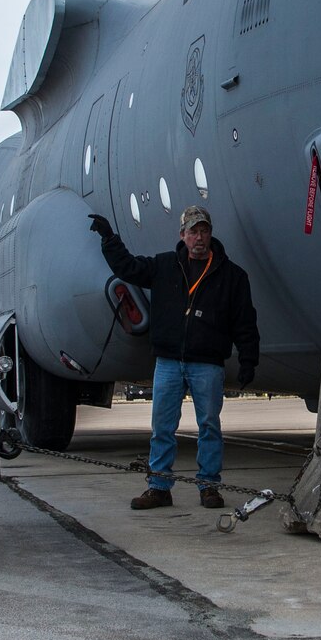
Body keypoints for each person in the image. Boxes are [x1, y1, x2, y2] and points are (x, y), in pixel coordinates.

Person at [90, 205, 260, 511]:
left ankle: (209, 486)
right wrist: (108, 239)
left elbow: (244, 321)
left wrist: (249, 360)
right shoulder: (163, 266)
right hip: (168, 361)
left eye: (204, 230)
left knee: (209, 425)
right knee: (162, 427)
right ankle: (159, 487)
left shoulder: (232, 276)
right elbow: (128, 268)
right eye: (193, 231)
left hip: (207, 363)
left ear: (210, 234)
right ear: (182, 235)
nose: (199, 237)